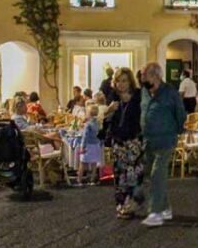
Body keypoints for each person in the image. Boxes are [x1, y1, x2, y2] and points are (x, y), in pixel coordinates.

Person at [140, 62, 187, 227]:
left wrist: (178, 131)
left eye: (144, 77)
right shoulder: (145, 93)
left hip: (166, 139)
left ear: (155, 77)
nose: (142, 80)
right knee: (152, 175)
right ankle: (165, 207)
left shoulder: (170, 93)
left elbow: (180, 113)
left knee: (156, 173)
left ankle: (155, 212)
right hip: (148, 140)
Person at [105, 67, 144, 219]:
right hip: (118, 141)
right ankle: (122, 204)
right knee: (120, 174)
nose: (121, 84)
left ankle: (132, 203)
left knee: (133, 173)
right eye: (118, 81)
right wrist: (108, 111)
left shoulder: (138, 97)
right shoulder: (113, 98)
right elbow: (106, 122)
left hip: (134, 140)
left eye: (124, 81)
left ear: (130, 82)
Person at [78, 103, 104, 184]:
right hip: (96, 145)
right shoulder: (99, 123)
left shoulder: (88, 124)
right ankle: (92, 179)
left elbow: (85, 137)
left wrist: (82, 146)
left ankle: (79, 179)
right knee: (94, 163)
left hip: (88, 145)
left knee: (82, 163)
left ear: (89, 114)